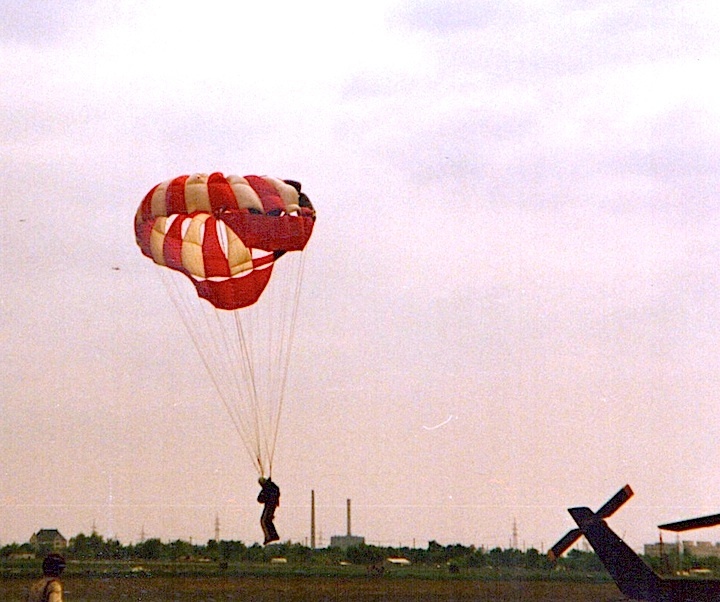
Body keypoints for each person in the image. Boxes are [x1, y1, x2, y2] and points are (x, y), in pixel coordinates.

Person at [257, 476, 281, 545]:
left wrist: (264, 489)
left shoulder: (267, 489)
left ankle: (269, 537)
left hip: (270, 506)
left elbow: (260, 499)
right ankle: (273, 535)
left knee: (264, 520)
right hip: (272, 506)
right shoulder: (271, 487)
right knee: (267, 520)